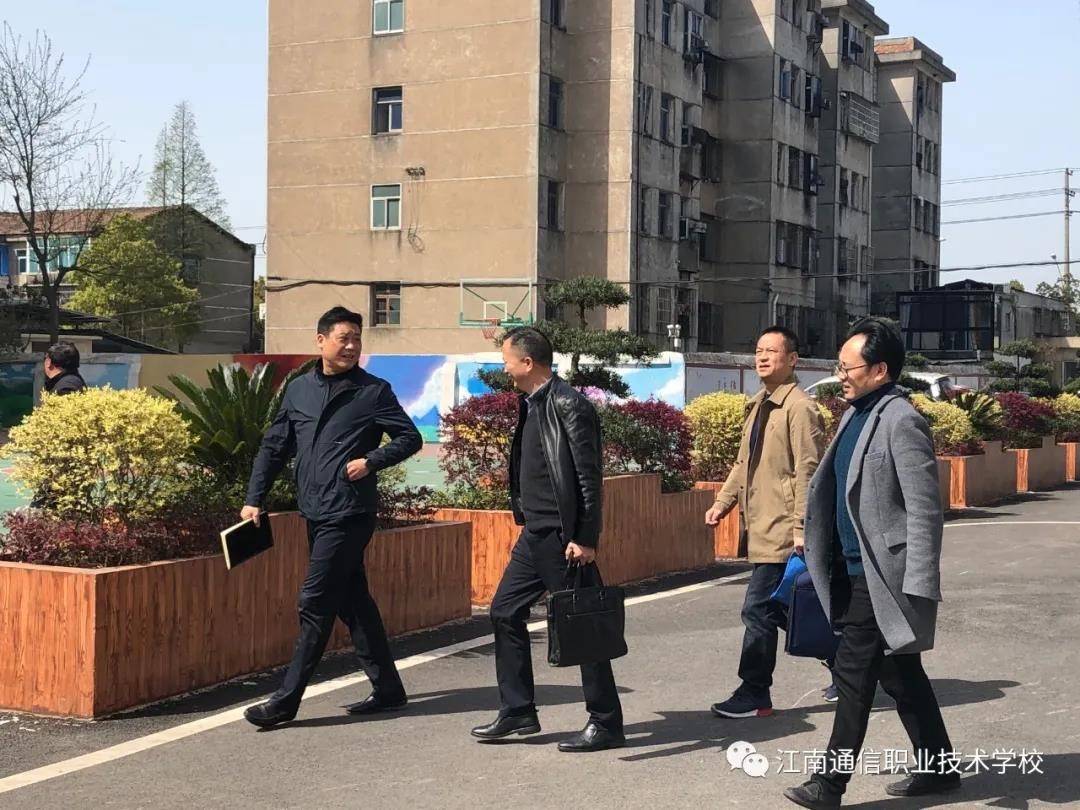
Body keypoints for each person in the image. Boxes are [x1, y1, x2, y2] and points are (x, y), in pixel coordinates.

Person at [784, 318, 957, 809]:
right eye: (839, 366)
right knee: (901, 674)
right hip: (848, 567)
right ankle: (939, 767)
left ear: (879, 370)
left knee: (853, 674)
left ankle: (828, 784)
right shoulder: (854, 415)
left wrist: (920, 580)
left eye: (848, 367)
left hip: (882, 576)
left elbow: (924, 509)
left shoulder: (902, 420)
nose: (840, 375)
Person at [240, 306, 423, 728]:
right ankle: (389, 689)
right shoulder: (298, 390)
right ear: (320, 341)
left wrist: (371, 460)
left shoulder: (372, 391)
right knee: (352, 600)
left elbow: (409, 437)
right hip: (315, 509)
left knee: (315, 601)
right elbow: (275, 445)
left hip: (350, 512)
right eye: (344, 338)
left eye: (357, 339)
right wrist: (254, 498)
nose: (352, 346)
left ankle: (285, 702)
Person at [470, 327, 624, 752]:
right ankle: (518, 710)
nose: (503, 368)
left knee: (582, 626)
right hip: (535, 533)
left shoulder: (568, 404)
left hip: (563, 536)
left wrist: (585, 537)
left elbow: (588, 476)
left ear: (527, 362)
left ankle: (606, 722)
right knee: (504, 612)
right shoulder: (531, 403)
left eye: (506, 360)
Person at [705, 326, 828, 719]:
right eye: (758, 350)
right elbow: (744, 464)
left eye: (771, 351)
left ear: (792, 359)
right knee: (784, 610)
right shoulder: (759, 404)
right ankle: (854, 665)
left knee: (758, 610)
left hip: (783, 529)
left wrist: (801, 527)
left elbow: (809, 471)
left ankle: (755, 691)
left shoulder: (799, 408)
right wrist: (723, 502)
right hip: (761, 525)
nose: (762, 357)